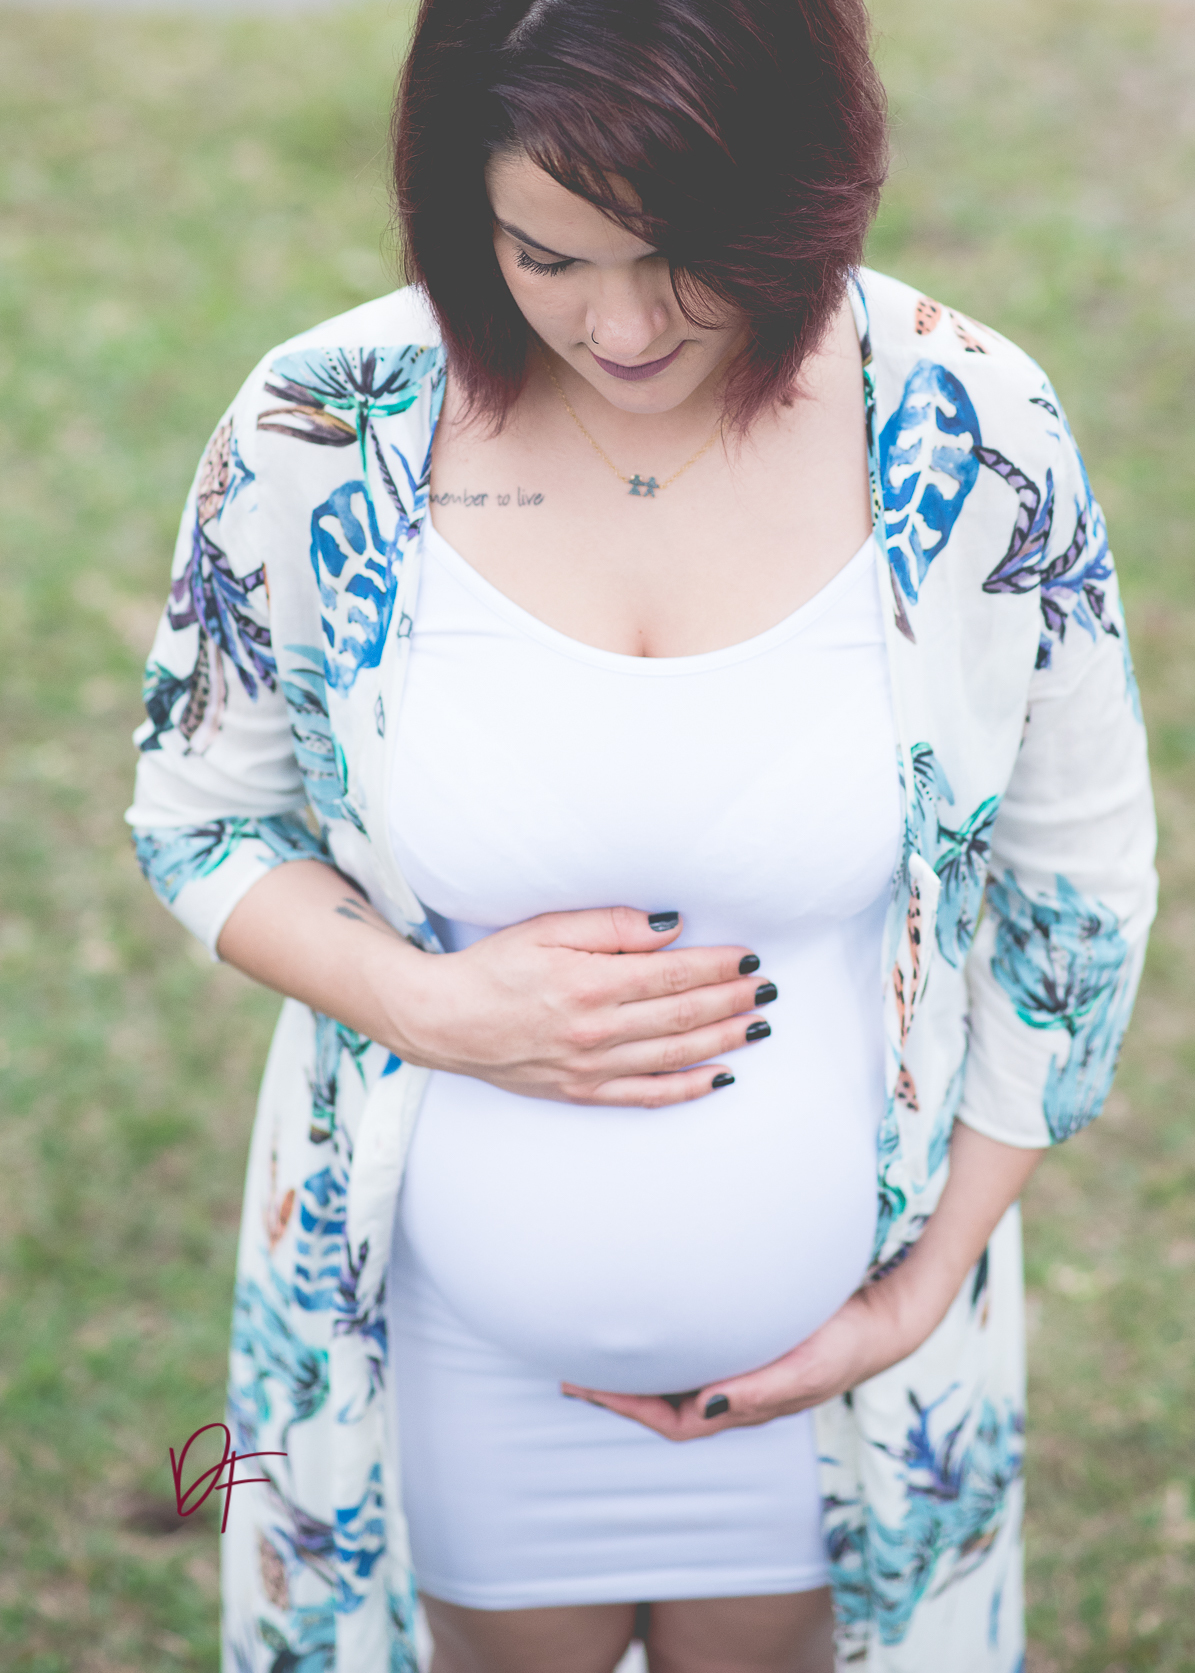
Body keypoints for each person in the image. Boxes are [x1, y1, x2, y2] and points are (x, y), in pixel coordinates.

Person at [127, 1, 1157, 1669]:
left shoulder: (975, 431)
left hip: (843, 1375)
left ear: (802, 186)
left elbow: (1079, 888)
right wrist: (427, 1003)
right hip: (447, 1364)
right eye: (543, 255)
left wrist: (926, 1283)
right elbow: (199, 812)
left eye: (681, 257)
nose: (617, 326)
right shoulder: (328, 427)